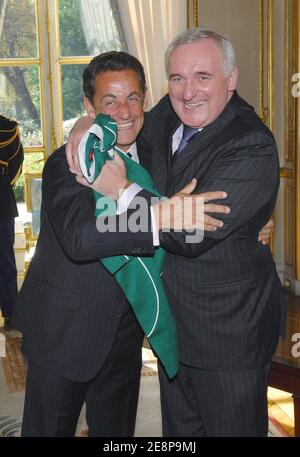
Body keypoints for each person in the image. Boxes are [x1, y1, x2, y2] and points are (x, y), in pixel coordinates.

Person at [67, 28, 282, 437]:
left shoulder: (251, 143)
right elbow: (123, 118)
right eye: (178, 78)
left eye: (203, 76)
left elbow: (189, 236)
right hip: (172, 329)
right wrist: (85, 123)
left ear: (231, 80)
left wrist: (122, 190)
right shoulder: (170, 111)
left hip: (227, 335)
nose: (188, 91)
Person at [12, 51, 229, 437]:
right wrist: (159, 217)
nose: (124, 111)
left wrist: (248, 224)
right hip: (63, 330)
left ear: (145, 98)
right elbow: (81, 239)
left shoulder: (155, 152)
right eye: (109, 101)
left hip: (125, 334)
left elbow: (192, 203)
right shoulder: (70, 162)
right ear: (90, 105)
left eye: (132, 98)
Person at [0, 115, 24, 331]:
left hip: (2, 201)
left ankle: (10, 311)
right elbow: (15, 167)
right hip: (2, 196)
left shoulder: (8, 127)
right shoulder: (8, 128)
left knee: (5, 259)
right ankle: (10, 311)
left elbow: (16, 164)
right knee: (5, 259)